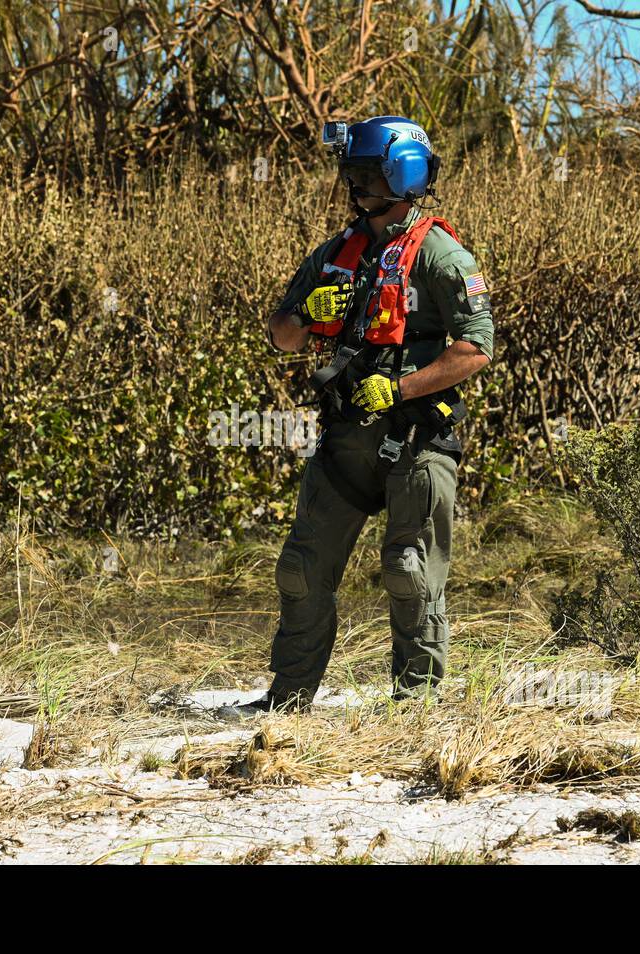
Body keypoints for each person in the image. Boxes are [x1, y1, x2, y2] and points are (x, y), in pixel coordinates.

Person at [218, 116, 495, 720]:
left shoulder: (441, 254)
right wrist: (308, 315)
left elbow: (476, 347)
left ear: (401, 175)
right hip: (342, 442)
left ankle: (415, 707)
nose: (354, 184)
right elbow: (282, 335)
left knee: (408, 572)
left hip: (417, 442)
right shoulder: (335, 253)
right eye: (353, 173)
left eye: (366, 174)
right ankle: (287, 700)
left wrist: (397, 389)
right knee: (299, 570)